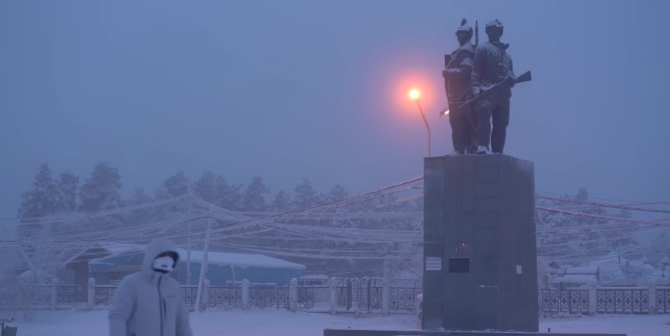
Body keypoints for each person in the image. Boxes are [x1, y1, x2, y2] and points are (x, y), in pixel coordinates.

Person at [109, 239, 193, 336]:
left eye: (170, 258)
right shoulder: (131, 284)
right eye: (163, 256)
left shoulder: (174, 287)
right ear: (152, 257)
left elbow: (182, 323)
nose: (167, 261)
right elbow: (118, 317)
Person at [471, 19, 516, 154]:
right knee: (484, 117)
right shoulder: (483, 48)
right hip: (487, 91)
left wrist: (512, 78)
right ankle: (483, 146)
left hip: (504, 94)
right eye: (488, 31)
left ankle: (498, 151)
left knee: (501, 124)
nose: (491, 33)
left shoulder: (507, 56)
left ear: (500, 32)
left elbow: (511, 73)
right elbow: (475, 71)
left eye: (494, 31)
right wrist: (475, 88)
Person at [442, 19, 477, 155]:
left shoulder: (465, 51)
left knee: (461, 122)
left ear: (468, 35)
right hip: (457, 94)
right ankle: (462, 148)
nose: (459, 36)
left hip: (463, 94)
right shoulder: (460, 51)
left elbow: (465, 71)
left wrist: (447, 73)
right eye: (458, 34)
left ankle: (462, 148)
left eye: (462, 34)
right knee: (460, 122)